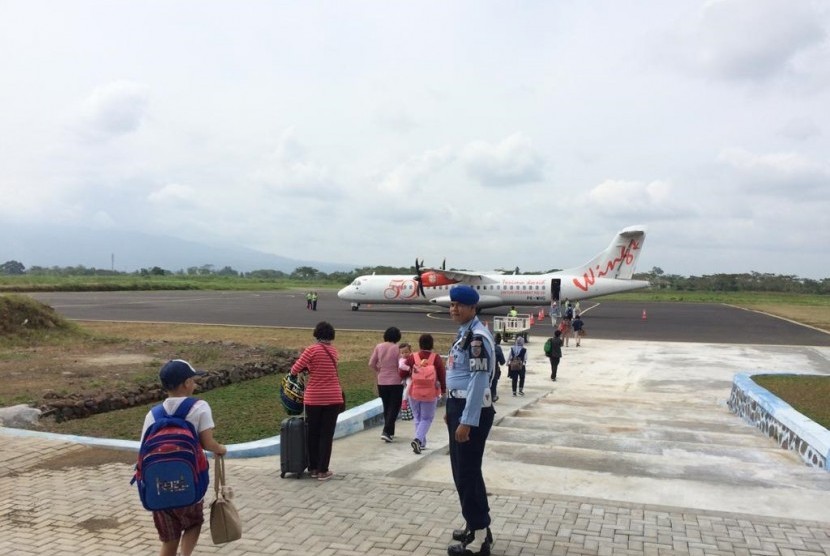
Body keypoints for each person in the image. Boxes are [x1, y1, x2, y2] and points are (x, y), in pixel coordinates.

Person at [141, 359, 227, 556]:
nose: (195, 384)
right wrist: (221, 449)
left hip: (158, 486)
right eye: (193, 380)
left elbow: (143, 450)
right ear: (187, 383)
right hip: (189, 481)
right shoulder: (199, 407)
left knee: (169, 539)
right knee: (194, 522)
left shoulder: (153, 414)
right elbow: (208, 443)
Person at [444, 285, 495, 556]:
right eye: (452, 304)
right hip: (459, 406)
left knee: (467, 472)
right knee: (464, 471)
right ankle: (476, 525)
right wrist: (450, 408)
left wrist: (467, 421)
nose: (454, 309)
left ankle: (480, 538)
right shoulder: (464, 334)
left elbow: (478, 380)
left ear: (473, 308)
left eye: (460, 305)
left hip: (470, 410)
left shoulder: (476, 337)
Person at [290, 321, 344, 481]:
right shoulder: (333, 352)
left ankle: (313, 468)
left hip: (314, 398)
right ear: (331, 336)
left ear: (316, 334)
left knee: (313, 433)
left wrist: (307, 366)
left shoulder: (311, 350)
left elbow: (295, 369)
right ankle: (323, 470)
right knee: (326, 435)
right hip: (333, 397)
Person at [400, 334, 446, 454]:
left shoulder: (412, 357)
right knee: (427, 418)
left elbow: (401, 373)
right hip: (430, 393)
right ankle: (418, 439)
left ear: (419, 344)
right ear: (432, 344)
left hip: (414, 392)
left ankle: (421, 443)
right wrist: (444, 390)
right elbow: (442, 375)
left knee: (418, 417)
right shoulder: (435, 358)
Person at [369, 326, 404, 442]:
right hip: (396, 381)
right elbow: (401, 364)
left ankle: (390, 432)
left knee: (387, 406)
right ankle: (386, 431)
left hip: (382, 381)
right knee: (394, 407)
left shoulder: (379, 347)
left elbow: (371, 363)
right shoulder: (397, 348)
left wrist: (379, 370)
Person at [490, 332, 506, 402]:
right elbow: (502, 362)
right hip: (493, 369)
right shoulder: (497, 348)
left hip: (482, 369)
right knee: (493, 382)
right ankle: (493, 395)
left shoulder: (484, 345)